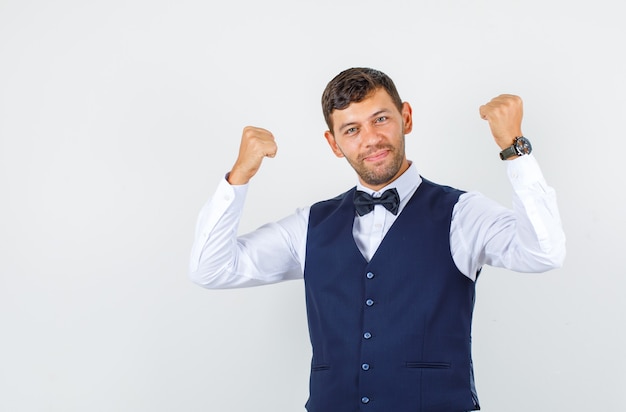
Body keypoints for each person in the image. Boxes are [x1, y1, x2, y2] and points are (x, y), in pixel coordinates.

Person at [189, 67, 566, 411]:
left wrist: (515, 149)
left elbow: (543, 252)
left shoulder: (461, 213)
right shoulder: (309, 225)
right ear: (334, 143)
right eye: (351, 129)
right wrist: (239, 176)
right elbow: (211, 268)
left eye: (380, 119)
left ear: (406, 117)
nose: (371, 139)